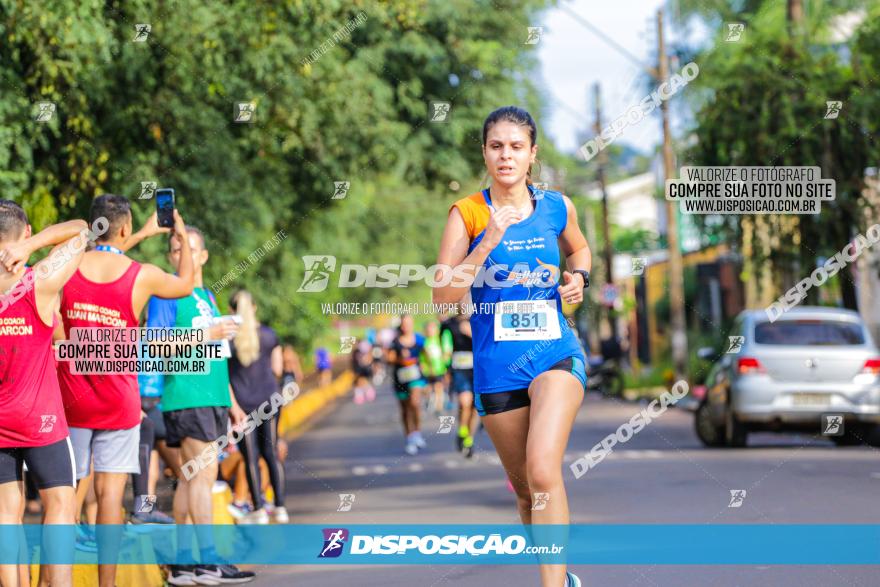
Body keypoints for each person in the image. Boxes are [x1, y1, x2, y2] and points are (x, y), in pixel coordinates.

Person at [432, 106, 591, 587]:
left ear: (531, 154)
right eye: (497, 146)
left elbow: (579, 249)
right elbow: (442, 299)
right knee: (526, 493)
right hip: (497, 370)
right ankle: (560, 578)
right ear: (484, 152)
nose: (506, 155)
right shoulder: (467, 213)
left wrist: (578, 278)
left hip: (554, 354)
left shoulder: (557, 206)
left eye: (516, 146)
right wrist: (486, 242)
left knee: (543, 470)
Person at [55, 196, 195, 587]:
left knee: (64, 498)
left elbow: (100, 256)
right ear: (124, 229)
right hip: (119, 402)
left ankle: (55, 578)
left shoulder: (67, 268)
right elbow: (185, 284)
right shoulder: (142, 274)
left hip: (73, 399)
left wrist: (141, 232)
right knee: (110, 498)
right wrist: (177, 229)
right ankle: (108, 584)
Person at [146, 225, 254, 585]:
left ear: (203, 256)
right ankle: (208, 561)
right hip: (186, 397)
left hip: (214, 398)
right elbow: (156, 347)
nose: (183, 257)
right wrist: (204, 334)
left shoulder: (207, 296)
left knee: (192, 478)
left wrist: (233, 402)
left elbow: (217, 353)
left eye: (189, 249)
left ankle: (182, 564)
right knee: (203, 476)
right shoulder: (166, 295)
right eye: (176, 251)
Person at [0, 202, 89, 587]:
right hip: (41, 422)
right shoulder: (40, 280)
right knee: (61, 507)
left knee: (6, 515)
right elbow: (83, 230)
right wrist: (30, 247)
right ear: (26, 231)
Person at [226, 289, 288, 524]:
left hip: (242, 405)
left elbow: (224, 378)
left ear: (232, 311)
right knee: (271, 454)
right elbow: (278, 370)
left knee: (249, 456)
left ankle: (258, 510)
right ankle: (280, 506)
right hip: (270, 400)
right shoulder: (270, 336)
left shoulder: (228, 342)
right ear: (254, 308)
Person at [440, 307, 478, 457]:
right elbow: (442, 346)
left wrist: (470, 333)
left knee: (476, 408)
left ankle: (469, 438)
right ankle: (462, 430)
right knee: (465, 402)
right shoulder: (448, 324)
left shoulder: (476, 321)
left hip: (477, 369)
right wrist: (445, 370)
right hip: (459, 369)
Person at [388, 314, 428, 455]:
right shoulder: (395, 341)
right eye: (404, 323)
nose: (406, 326)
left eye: (409, 323)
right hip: (401, 378)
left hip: (416, 377)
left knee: (415, 403)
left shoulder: (419, 339)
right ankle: (410, 437)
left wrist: (425, 365)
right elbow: (389, 358)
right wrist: (400, 359)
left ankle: (417, 433)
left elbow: (427, 354)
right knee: (405, 409)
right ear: (401, 325)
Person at [420, 321, 448, 415]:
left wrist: (446, 364)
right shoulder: (425, 342)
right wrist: (423, 365)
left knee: (438, 387)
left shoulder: (439, 340)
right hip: (428, 370)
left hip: (439, 368)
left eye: (433, 329)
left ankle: (438, 407)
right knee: (427, 388)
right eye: (429, 329)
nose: (431, 331)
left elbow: (445, 352)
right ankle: (428, 399)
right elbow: (422, 356)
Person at [351, 338, 376, 404]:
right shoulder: (355, 351)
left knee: (362, 381)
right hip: (358, 368)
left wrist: (369, 364)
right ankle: (363, 394)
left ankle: (366, 393)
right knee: (358, 381)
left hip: (364, 368)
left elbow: (369, 357)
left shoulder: (363, 348)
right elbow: (353, 361)